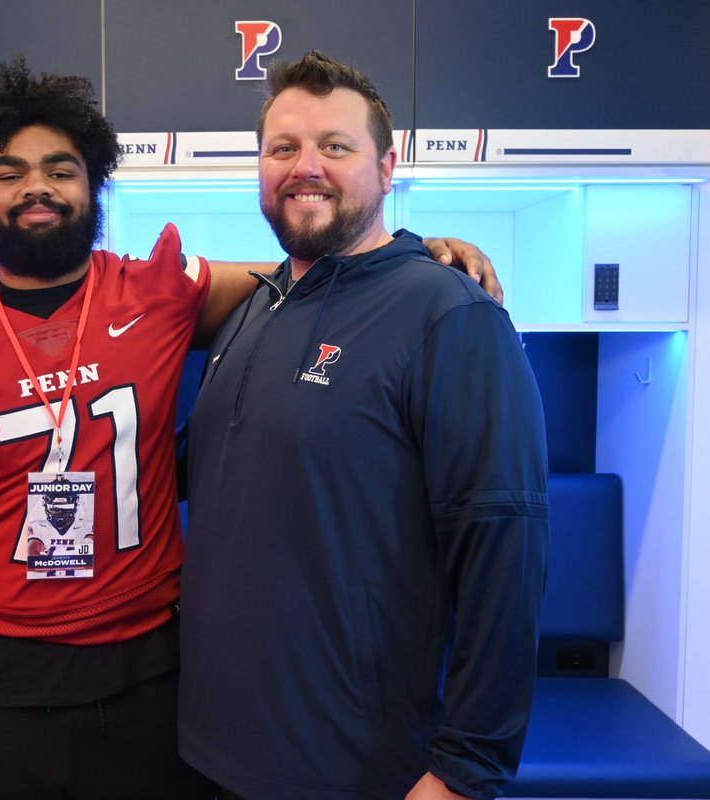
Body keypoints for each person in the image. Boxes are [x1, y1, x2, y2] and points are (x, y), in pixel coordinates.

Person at [0, 55, 502, 800]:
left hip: (155, 676)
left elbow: (323, 269)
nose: (38, 188)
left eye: (61, 170)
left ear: (93, 185)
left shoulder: (160, 289)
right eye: (10, 172)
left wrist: (426, 253)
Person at [179, 51, 550, 800]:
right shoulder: (252, 309)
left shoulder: (449, 314)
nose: (304, 167)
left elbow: (503, 554)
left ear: (387, 168)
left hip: (353, 769)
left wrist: (463, 771)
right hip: (208, 750)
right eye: (283, 148)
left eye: (335, 147)